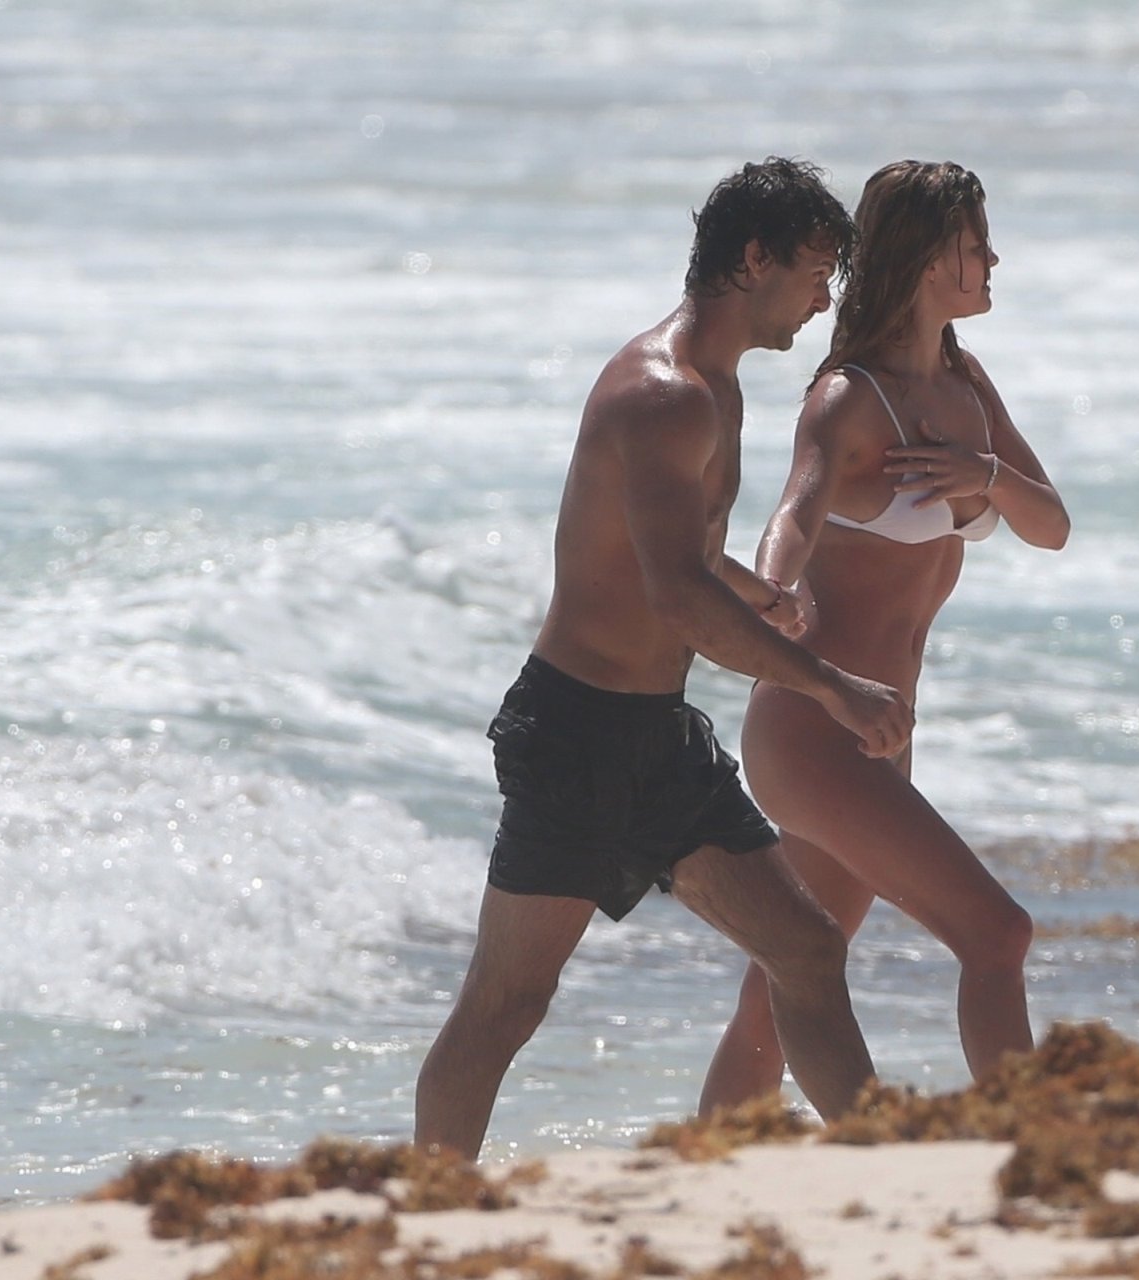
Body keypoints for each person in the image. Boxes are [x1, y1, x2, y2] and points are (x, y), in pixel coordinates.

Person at [415, 158, 915, 1160]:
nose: (824, 301)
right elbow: (674, 597)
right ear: (755, 259)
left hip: (658, 737)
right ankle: (424, 1203)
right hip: (577, 736)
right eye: (814, 273)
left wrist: (757, 591)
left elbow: (681, 555)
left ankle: (888, 1164)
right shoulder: (663, 393)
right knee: (506, 1003)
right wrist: (830, 688)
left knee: (806, 947)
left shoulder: (716, 390)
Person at [699, 160, 1071, 1113]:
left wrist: (984, 474)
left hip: (881, 736)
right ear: (928, 257)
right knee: (997, 934)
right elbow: (794, 512)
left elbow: (1052, 525)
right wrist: (772, 592)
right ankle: (1028, 1141)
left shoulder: (964, 384)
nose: (994, 260)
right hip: (814, 727)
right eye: (977, 243)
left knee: (785, 984)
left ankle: (710, 1159)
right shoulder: (849, 396)